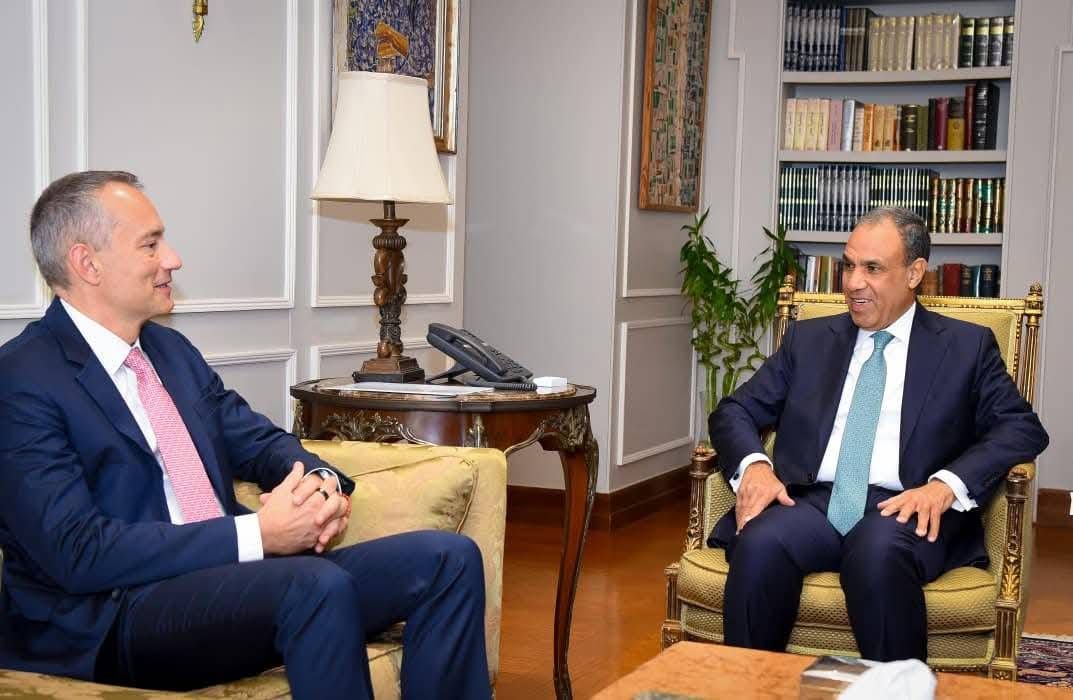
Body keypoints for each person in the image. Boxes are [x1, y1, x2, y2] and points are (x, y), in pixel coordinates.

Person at [0, 171, 490, 699]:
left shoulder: (170, 353)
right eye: (151, 244)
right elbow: (77, 551)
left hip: (228, 584)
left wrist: (319, 485)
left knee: (449, 559)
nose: (173, 259)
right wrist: (259, 534)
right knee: (314, 584)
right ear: (86, 263)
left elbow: (257, 441)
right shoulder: (22, 378)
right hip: (113, 617)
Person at [707, 206, 1048, 662]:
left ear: (914, 273)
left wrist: (946, 485)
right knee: (760, 544)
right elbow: (734, 410)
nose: (852, 282)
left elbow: (1021, 426)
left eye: (872, 268)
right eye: (848, 265)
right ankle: (747, 685)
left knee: (877, 554)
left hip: (906, 508)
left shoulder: (966, 347)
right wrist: (755, 467)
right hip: (813, 502)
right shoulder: (809, 340)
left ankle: (898, 689)